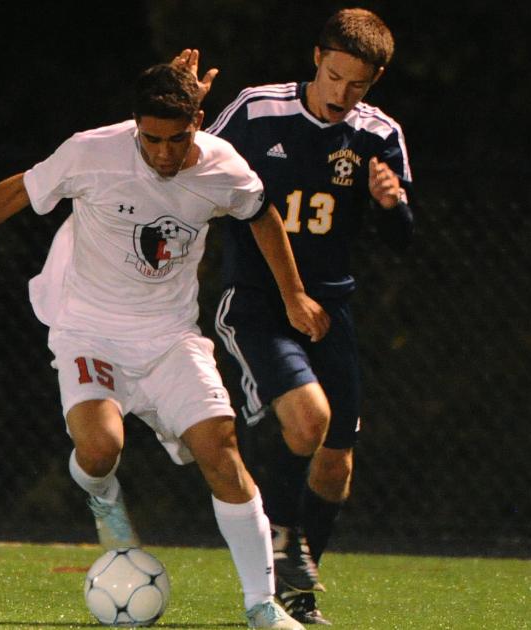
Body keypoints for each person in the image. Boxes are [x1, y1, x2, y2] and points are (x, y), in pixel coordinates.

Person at [0, 62, 329, 629]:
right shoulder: (91, 153)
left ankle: (261, 606)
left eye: (178, 139)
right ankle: (100, 491)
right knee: (101, 448)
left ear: (198, 123)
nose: (165, 154)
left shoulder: (223, 168)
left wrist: (293, 294)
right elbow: (19, 192)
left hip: (171, 337)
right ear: (134, 125)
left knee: (221, 451)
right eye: (151, 139)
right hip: (89, 331)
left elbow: (262, 215)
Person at [182, 8, 414, 625]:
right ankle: (280, 539)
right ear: (317, 57)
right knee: (308, 420)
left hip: (330, 307)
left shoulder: (378, 134)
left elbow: (402, 239)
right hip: (258, 301)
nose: (342, 94)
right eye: (334, 76)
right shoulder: (260, 110)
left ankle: (297, 589)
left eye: (357, 84)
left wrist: (390, 205)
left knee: (337, 463)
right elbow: (195, 160)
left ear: (376, 78)